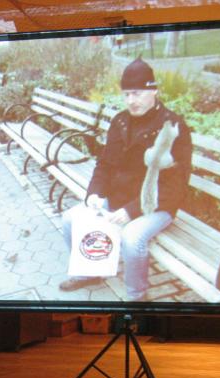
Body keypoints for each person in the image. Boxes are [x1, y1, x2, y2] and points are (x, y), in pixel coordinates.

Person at [58, 58, 193, 301]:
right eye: (127, 94)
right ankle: (90, 272)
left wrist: (132, 210)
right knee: (70, 219)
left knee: (131, 238)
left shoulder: (172, 127)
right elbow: (105, 163)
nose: (131, 100)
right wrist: (94, 194)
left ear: (154, 91)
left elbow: (175, 186)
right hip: (117, 199)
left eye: (138, 93)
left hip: (156, 206)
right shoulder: (120, 121)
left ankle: (136, 296)